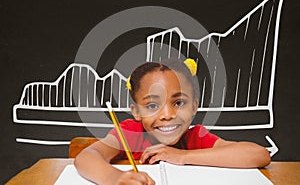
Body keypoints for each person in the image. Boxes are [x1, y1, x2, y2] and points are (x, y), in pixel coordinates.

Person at [74, 58, 271, 184]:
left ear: (194, 106)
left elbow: (259, 155)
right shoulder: (130, 133)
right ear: (136, 112)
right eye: (152, 106)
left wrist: (182, 156)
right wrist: (115, 178)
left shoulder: (196, 137)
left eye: (179, 102)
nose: (167, 114)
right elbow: (87, 157)